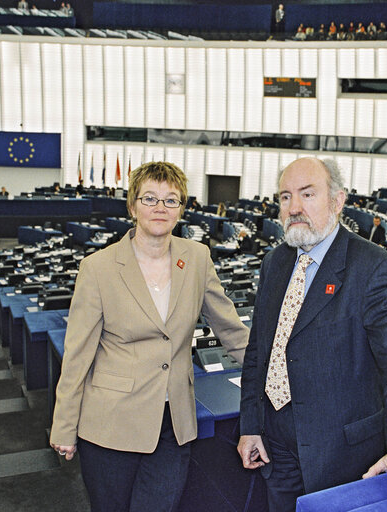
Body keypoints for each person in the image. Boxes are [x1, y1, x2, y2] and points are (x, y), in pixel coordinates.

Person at [237, 157, 387, 512]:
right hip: (277, 445)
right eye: (285, 197)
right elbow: (260, 351)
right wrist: (251, 424)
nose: (294, 208)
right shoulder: (275, 261)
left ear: (338, 200)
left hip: (340, 453)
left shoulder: (374, 266)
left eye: (307, 194)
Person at [50, 161, 249, 512]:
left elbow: (231, 329)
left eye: (171, 200)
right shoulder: (97, 268)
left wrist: (276, 376)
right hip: (110, 425)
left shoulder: (198, 257)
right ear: (132, 205)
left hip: (173, 423)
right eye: (150, 198)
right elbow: (77, 354)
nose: (161, 207)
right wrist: (64, 425)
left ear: (182, 209)